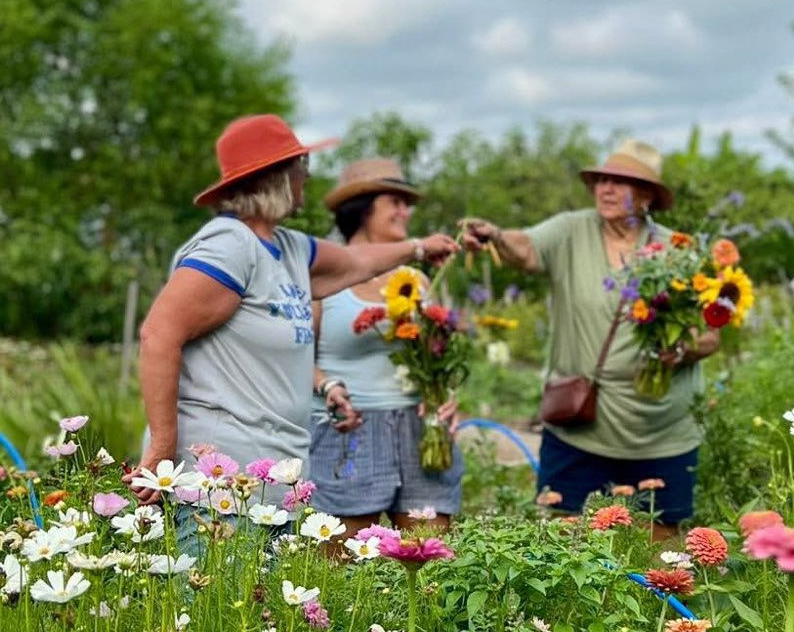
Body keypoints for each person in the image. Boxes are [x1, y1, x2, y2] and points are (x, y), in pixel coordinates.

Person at [140, 116, 457, 473]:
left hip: (274, 472)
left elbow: (354, 260)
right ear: (276, 177)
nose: (306, 176)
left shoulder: (288, 247)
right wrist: (161, 449)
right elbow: (159, 335)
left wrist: (419, 248)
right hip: (219, 475)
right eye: (300, 166)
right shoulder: (229, 246)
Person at [460, 139, 718, 522]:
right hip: (580, 426)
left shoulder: (679, 251)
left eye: (620, 181)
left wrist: (678, 351)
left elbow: (711, 335)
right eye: (601, 180)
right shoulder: (571, 232)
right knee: (566, 540)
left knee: (660, 551)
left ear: (647, 195)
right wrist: (496, 236)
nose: (606, 189)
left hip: (661, 432)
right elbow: (527, 247)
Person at [309, 157, 464, 526]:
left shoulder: (417, 281)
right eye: (394, 202)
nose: (405, 212)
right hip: (349, 430)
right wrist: (327, 385)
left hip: (418, 431)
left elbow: (435, 356)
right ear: (362, 209)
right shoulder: (323, 278)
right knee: (344, 566)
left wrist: (444, 395)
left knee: (429, 560)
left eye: (406, 203)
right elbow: (297, 356)